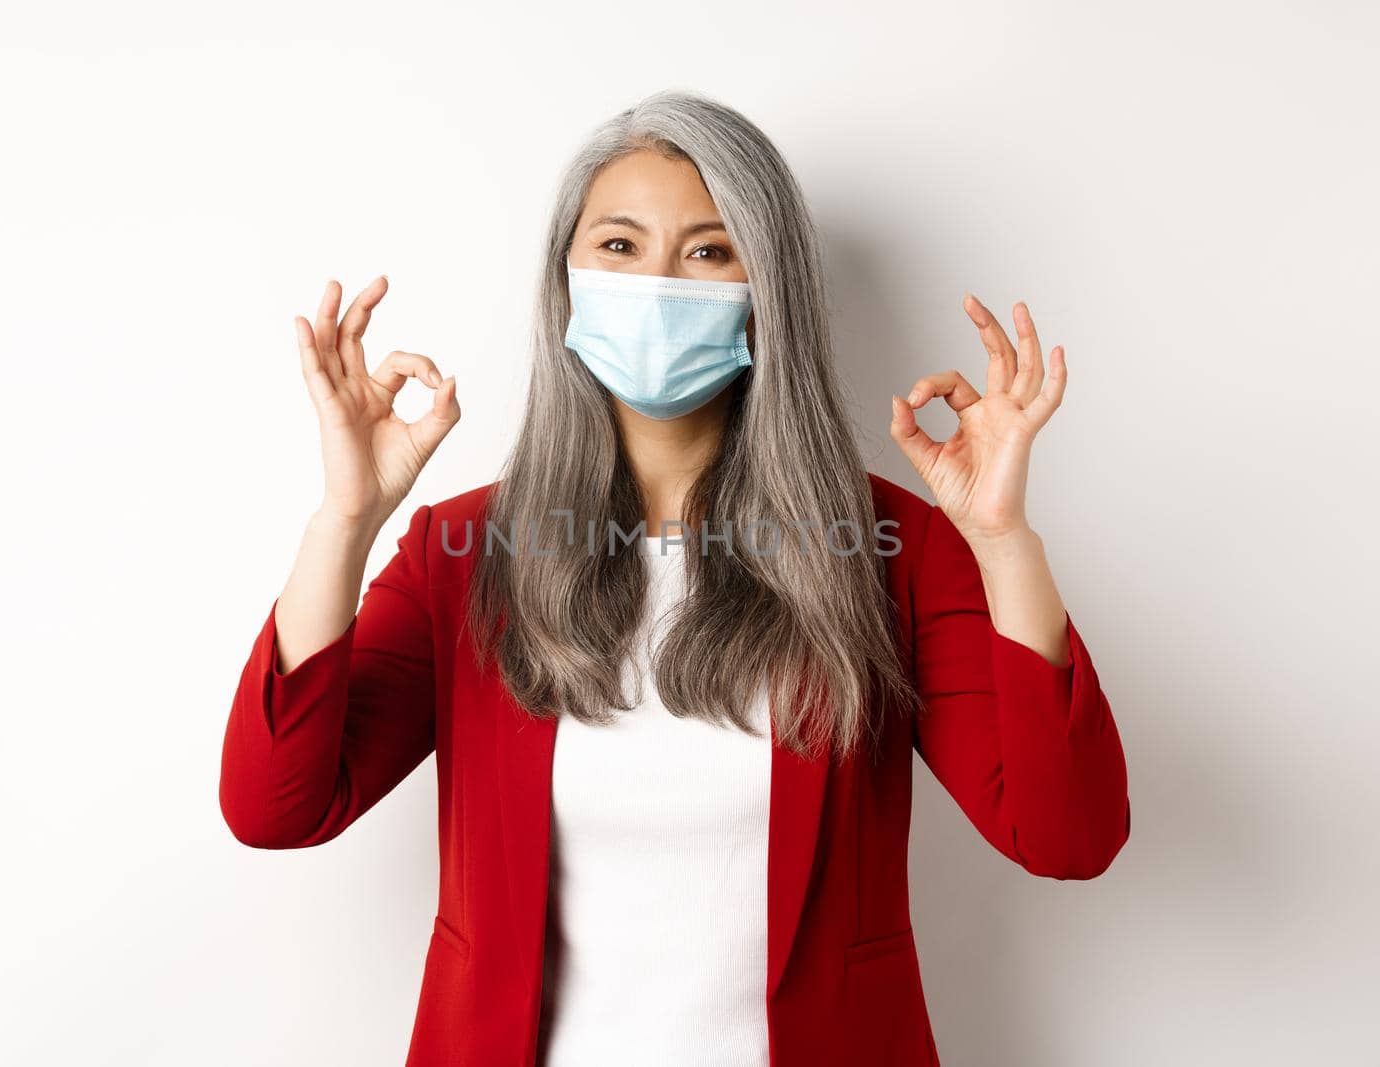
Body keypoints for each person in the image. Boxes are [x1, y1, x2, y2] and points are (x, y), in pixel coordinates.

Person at [218, 88, 1131, 1067]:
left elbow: (1064, 833)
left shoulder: (890, 547)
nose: (659, 281)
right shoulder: (465, 551)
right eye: (619, 245)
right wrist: (346, 521)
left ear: (765, 286)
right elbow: (278, 806)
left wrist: (1001, 542)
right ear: (565, 282)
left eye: (707, 250)